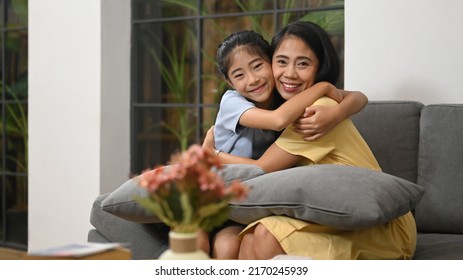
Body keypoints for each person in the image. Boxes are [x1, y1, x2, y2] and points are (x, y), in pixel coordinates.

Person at [209, 21, 417, 260]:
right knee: (249, 237)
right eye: (282, 61)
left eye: (303, 64)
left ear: (320, 68)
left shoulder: (314, 114)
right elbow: (357, 97)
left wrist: (211, 155)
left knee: (266, 234)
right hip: (326, 214)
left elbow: (261, 168)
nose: (289, 73)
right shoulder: (283, 103)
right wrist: (334, 101)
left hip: (383, 229)